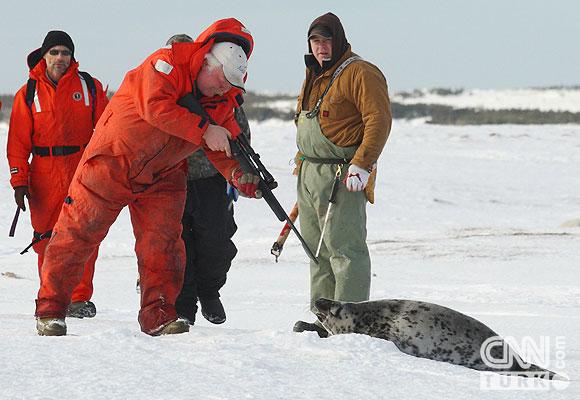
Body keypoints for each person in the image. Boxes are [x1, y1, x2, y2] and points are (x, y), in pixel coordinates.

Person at [34, 18, 260, 337]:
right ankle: (51, 309)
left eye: (232, 84)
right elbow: (156, 108)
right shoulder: (162, 65)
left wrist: (240, 175)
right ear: (208, 61)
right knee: (77, 234)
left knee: (164, 244)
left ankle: (159, 313)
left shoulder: (220, 102)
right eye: (223, 80)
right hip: (112, 164)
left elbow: (225, 147)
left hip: (163, 175)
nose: (226, 88)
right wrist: (204, 130)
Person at [292, 13, 392, 338]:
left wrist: (363, 163)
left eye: (326, 40)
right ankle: (324, 319)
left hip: (342, 174)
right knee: (316, 251)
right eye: (315, 41)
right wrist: (301, 166)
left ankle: (350, 323)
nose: (321, 47)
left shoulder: (360, 72)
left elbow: (378, 119)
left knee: (345, 249)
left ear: (339, 40)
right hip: (310, 173)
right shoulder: (314, 74)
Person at [7, 30, 109, 319]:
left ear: (72, 57)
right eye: (55, 52)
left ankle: (78, 299)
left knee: (85, 235)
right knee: (46, 239)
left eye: (66, 53)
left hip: (82, 169)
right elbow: (16, 143)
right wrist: (19, 181)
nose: (60, 58)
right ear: (44, 55)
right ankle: (51, 298)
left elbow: (108, 130)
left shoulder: (89, 87)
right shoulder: (27, 93)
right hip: (43, 173)